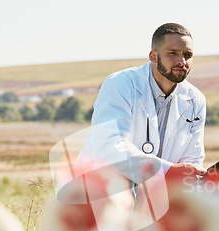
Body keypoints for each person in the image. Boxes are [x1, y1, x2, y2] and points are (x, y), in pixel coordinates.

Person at [81, 23, 206, 186]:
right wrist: (167, 171)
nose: (182, 61)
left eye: (187, 55)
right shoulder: (121, 84)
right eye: (172, 53)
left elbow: (192, 158)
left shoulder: (195, 99)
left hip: (156, 194)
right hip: (101, 188)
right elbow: (108, 146)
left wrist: (195, 177)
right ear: (153, 56)